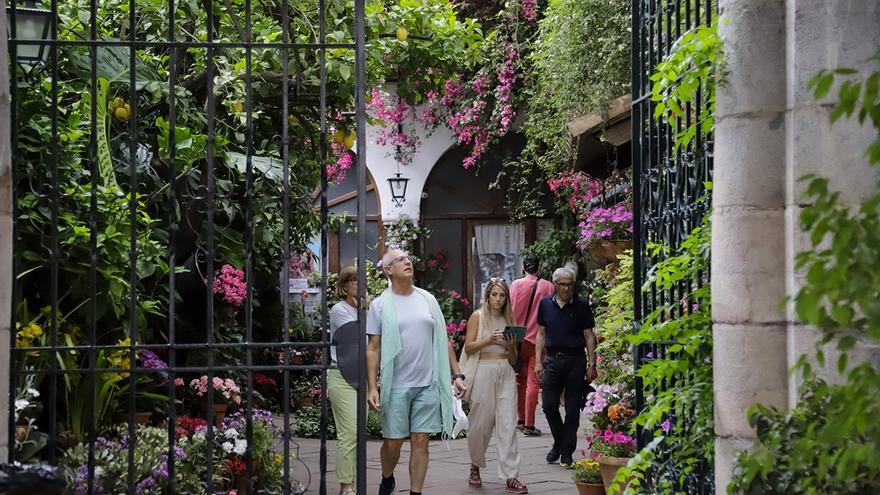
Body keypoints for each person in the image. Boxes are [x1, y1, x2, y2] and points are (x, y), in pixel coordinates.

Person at [366, 249, 468, 495]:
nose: (407, 261)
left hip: (428, 383)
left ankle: (415, 492)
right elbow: (373, 348)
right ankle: (387, 478)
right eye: (400, 260)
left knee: (421, 442)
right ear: (388, 270)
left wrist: (457, 375)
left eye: (408, 258)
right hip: (396, 385)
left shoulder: (427, 299)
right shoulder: (380, 305)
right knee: (393, 443)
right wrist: (372, 386)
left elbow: (443, 340)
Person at [462, 278, 528, 493]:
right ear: (488, 296)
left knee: (508, 424)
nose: (498, 299)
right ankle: (475, 465)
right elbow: (469, 347)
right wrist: (489, 339)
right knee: (480, 425)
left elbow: (514, 358)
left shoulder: (510, 319)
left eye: (502, 295)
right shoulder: (478, 316)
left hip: (505, 373)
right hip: (483, 371)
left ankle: (511, 475)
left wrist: (510, 346)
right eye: (494, 295)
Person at [534, 266, 597, 468]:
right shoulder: (545, 305)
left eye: (569, 284)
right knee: (548, 405)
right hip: (552, 360)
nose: (566, 288)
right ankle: (559, 441)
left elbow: (589, 336)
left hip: (575, 360)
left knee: (572, 410)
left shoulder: (581, 305)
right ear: (554, 285)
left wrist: (592, 364)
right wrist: (538, 361)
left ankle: (566, 451)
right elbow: (541, 334)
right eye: (562, 284)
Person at [509, 256, 554, 436]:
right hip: (538, 339)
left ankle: (520, 419)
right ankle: (529, 423)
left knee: (519, 379)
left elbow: (510, 310)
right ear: (538, 267)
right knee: (533, 381)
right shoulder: (548, 286)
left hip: (518, 339)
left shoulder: (516, 285)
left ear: (524, 268)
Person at [327, 266, 361, 495]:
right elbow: (357, 335)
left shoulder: (366, 309)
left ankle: (353, 481)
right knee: (348, 433)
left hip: (361, 376)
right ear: (345, 285)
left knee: (358, 433)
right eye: (355, 281)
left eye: (362, 281)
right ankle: (346, 486)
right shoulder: (339, 310)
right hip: (341, 375)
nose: (360, 285)